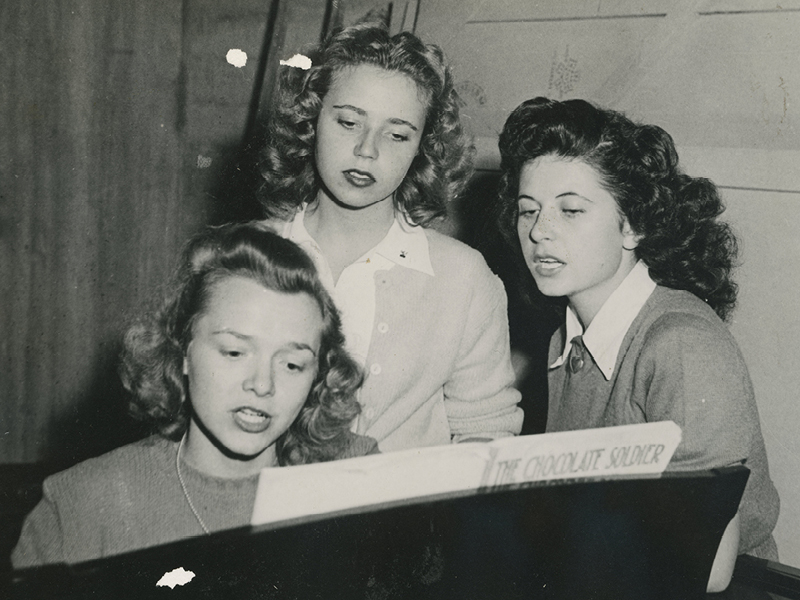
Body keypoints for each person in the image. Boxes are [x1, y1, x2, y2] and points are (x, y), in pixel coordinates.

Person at [496, 97, 779, 587]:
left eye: (570, 210)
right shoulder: (568, 336)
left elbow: (707, 571)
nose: (539, 232)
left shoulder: (682, 345)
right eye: (528, 210)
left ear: (633, 225)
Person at [12, 223, 377, 567]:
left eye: (292, 365)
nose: (262, 385)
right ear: (183, 349)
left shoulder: (364, 481)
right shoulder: (80, 506)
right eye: (234, 352)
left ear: (317, 376)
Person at [258, 23, 523, 452]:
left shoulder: (463, 277)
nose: (368, 149)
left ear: (424, 147)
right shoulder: (245, 257)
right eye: (348, 122)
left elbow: (487, 431)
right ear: (311, 121)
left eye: (397, 134)